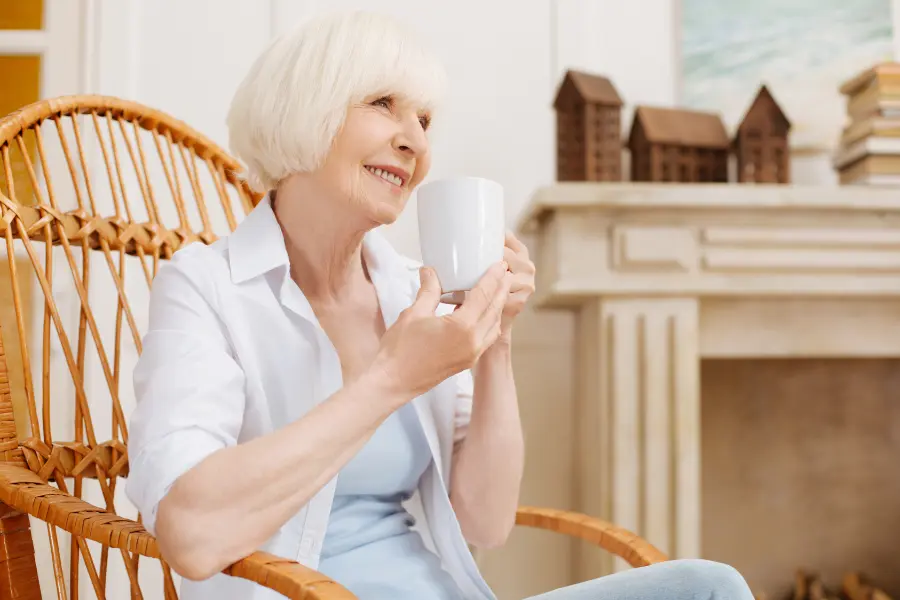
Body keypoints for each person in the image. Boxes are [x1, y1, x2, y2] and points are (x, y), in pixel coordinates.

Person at [125, 10, 754, 600]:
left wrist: (493, 342)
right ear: (301, 111)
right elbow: (190, 532)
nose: (414, 141)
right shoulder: (207, 285)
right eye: (383, 105)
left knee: (709, 587)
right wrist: (390, 379)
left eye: (425, 121)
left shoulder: (409, 289)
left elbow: (486, 521)